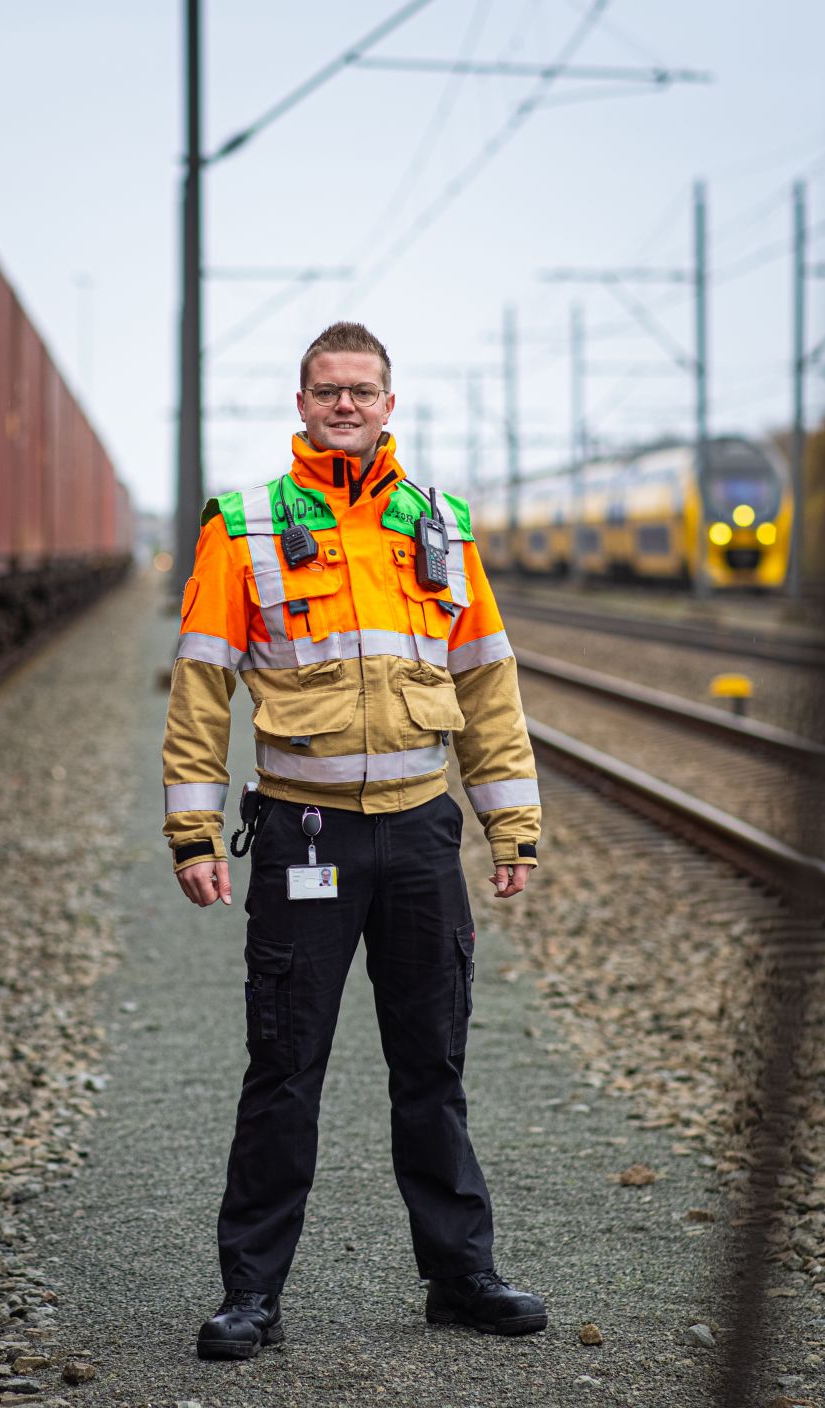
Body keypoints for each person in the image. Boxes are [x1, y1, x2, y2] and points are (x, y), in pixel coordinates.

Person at [160, 321, 548, 1360]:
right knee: (283, 1067)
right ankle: (250, 1295)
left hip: (421, 835)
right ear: (300, 404)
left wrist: (511, 823)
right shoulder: (241, 525)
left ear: (388, 403)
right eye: (326, 390)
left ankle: (460, 1277)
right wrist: (191, 831)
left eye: (361, 390)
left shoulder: (440, 522)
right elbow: (200, 683)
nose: (344, 404)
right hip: (304, 834)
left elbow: (486, 683)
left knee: (433, 1066)